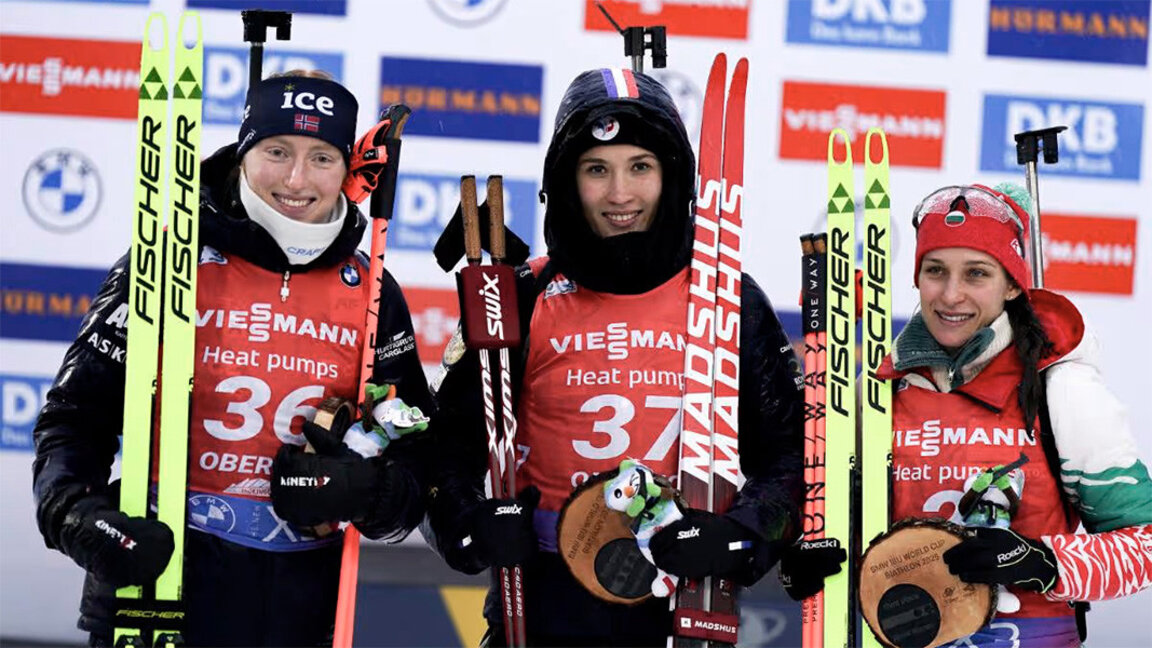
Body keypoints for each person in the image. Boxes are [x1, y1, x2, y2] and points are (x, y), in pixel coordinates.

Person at [31, 70, 433, 647]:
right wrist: (76, 515)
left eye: (322, 156)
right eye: (277, 151)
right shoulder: (168, 260)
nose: (297, 178)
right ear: (243, 154)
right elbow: (73, 417)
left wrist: (373, 492)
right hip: (161, 592)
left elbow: (418, 446)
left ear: (349, 171)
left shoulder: (370, 289)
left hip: (302, 609)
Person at [422, 68, 806, 646]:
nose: (620, 194)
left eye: (640, 168)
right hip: (542, 602)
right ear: (565, 181)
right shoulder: (520, 294)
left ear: (672, 177)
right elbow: (443, 455)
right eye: (596, 170)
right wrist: (470, 525)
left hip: (679, 602)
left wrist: (741, 535)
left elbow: (791, 459)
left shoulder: (725, 295)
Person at [780, 183, 1152, 646]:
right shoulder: (879, 392)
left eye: (976, 274)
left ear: (1013, 284)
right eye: (935, 271)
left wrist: (1043, 562)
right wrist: (806, 559)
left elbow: (1144, 544)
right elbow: (840, 525)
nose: (951, 294)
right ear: (917, 278)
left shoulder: (1061, 389)